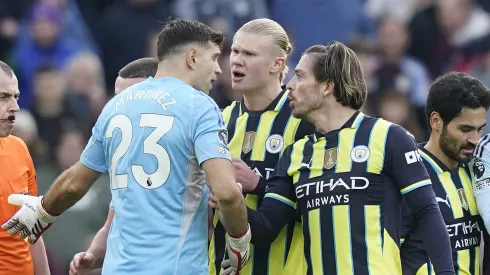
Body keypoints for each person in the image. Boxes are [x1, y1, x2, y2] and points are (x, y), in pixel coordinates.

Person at [1, 19, 251, 275]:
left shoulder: (114, 106)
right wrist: (239, 240)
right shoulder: (199, 106)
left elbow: (75, 183)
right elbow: (227, 193)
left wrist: (44, 210)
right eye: (214, 58)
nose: (219, 70)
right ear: (192, 57)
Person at [211, 41, 456, 274]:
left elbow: (427, 212)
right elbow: (265, 228)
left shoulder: (388, 136)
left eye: (300, 76)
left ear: (327, 86)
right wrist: (229, 197)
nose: (290, 85)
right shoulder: (296, 153)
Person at [209, 19, 315, 275]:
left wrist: (258, 184)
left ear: (277, 64)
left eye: (249, 54)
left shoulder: (303, 122)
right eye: (234, 51)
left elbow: (320, 206)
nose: (236, 60)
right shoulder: (218, 120)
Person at [69, 57, 158, 275]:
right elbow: (113, 222)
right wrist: (91, 257)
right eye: (117, 99)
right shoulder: (123, 150)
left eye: (129, 98)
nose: (120, 107)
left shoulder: (189, 141)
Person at [400, 72, 490, 275]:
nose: (475, 139)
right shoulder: (407, 174)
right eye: (466, 129)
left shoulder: (477, 172)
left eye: (480, 129)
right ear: (436, 121)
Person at [0, 60, 50, 275]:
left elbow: (31, 229)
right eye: (3, 97)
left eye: (16, 97)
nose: (15, 107)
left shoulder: (19, 148)